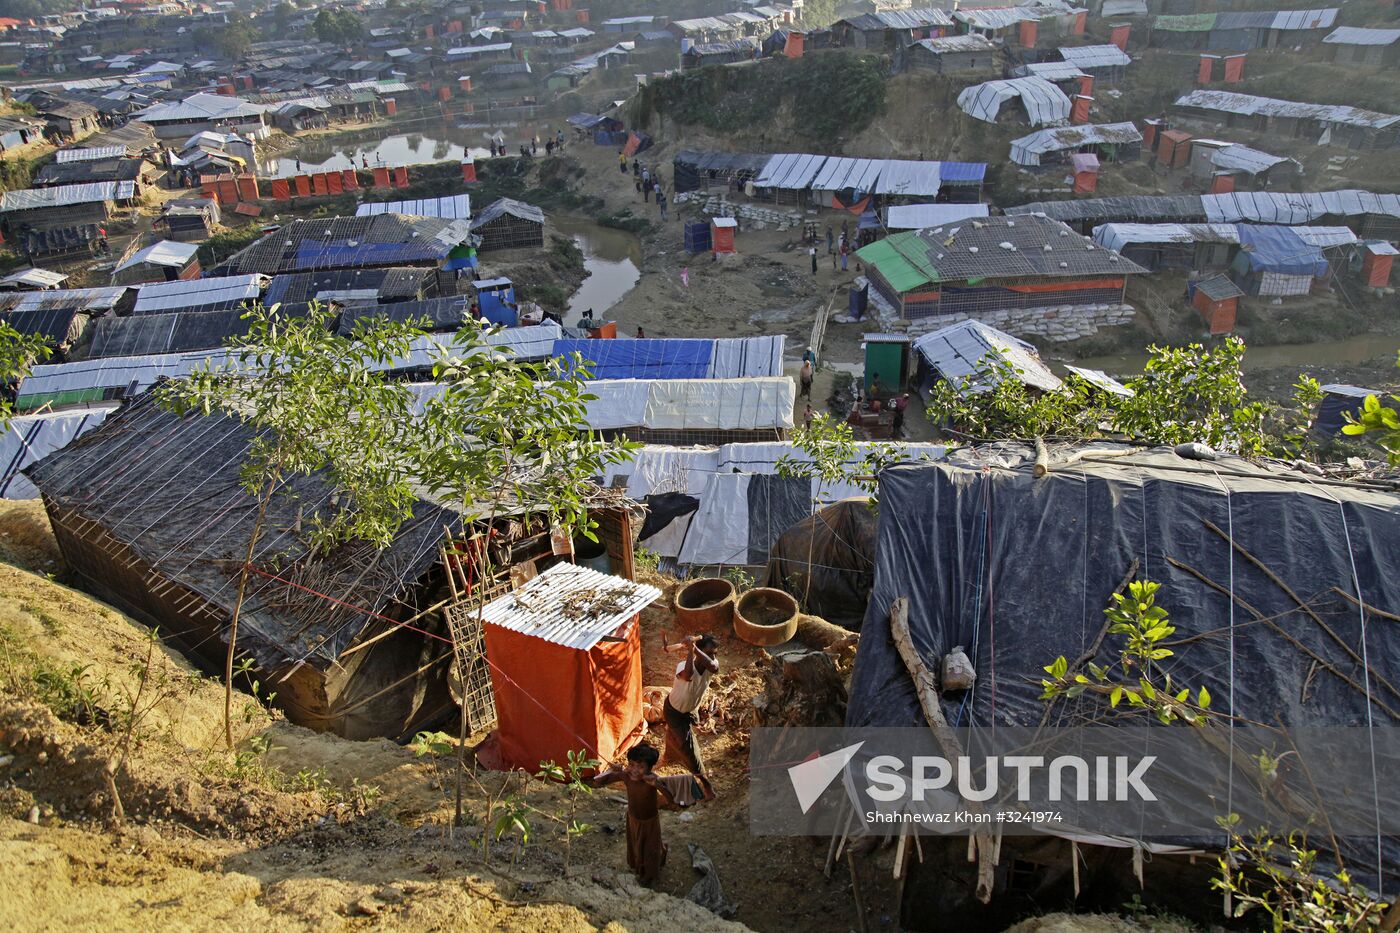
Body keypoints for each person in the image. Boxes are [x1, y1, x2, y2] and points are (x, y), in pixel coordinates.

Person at [588, 744, 676, 886]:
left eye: (640, 766)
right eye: (632, 765)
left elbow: (671, 798)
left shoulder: (652, 780)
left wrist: (657, 785)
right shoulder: (626, 776)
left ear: (649, 768)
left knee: (650, 850)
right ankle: (648, 860)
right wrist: (611, 770)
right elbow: (598, 782)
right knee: (636, 846)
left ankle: (649, 877)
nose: (634, 770)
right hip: (633, 819)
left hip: (649, 822)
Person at [662, 634, 719, 776]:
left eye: (714, 653)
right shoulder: (682, 666)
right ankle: (705, 782)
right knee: (690, 749)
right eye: (709, 653)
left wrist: (694, 649)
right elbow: (688, 675)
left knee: (673, 732)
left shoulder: (711, 663)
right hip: (674, 711)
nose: (713, 657)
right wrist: (690, 651)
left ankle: (670, 756)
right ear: (698, 651)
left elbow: (714, 667)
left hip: (690, 708)